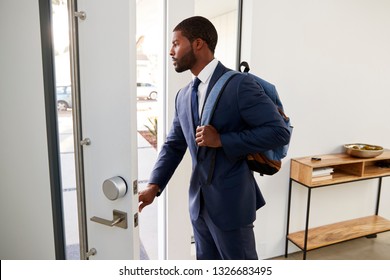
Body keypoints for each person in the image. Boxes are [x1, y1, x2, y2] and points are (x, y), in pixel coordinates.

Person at [138, 16, 291, 260]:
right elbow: (174, 145)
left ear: (198, 43)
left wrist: (222, 140)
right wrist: (153, 186)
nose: (170, 51)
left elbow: (278, 132)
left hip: (232, 205)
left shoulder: (239, 85)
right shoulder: (183, 94)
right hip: (198, 206)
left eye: (176, 43)